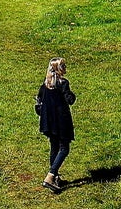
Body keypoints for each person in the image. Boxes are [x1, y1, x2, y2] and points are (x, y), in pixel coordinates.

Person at [35, 57, 76, 192]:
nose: (65, 68)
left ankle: (55, 177)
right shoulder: (63, 83)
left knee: (54, 147)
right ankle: (51, 175)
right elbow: (69, 100)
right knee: (64, 149)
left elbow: (39, 99)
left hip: (49, 122)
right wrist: (72, 95)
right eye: (63, 66)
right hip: (61, 122)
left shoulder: (46, 84)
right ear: (58, 69)